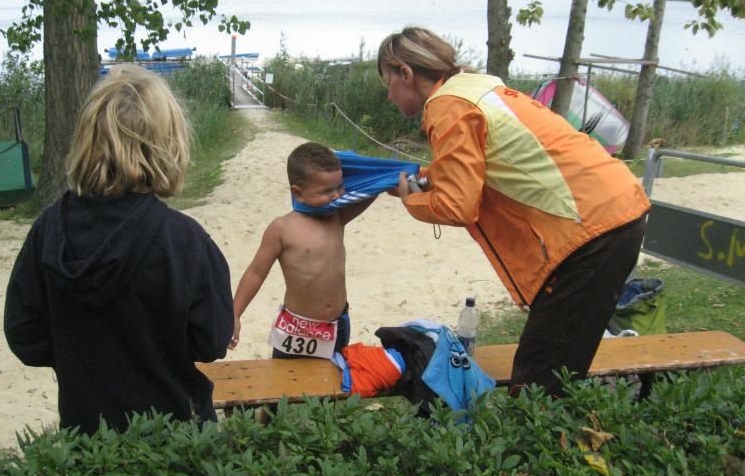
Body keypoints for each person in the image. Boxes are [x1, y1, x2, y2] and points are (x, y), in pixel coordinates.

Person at [377, 26, 650, 397]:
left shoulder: (447, 105)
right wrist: (424, 179)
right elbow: (480, 168)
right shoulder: (475, 89)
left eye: (388, 84)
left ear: (406, 74)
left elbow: (458, 206)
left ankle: (542, 434)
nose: (388, 95)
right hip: (610, 213)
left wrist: (412, 200)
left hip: (592, 230)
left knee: (540, 380)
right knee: (555, 365)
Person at [4, 64, 234, 434]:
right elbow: (211, 341)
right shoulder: (183, 240)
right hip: (175, 436)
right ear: (168, 142)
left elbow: (25, 336)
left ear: (86, 138)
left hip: (87, 438)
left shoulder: (48, 231)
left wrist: (81, 355)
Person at [229, 142, 375, 359]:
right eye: (327, 191)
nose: (337, 196)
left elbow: (373, 187)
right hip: (296, 329)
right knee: (286, 376)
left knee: (333, 377)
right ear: (298, 193)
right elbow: (255, 273)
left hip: (337, 325)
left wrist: (391, 179)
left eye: (339, 187)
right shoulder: (282, 228)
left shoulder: (337, 217)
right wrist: (235, 314)